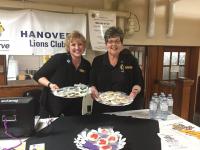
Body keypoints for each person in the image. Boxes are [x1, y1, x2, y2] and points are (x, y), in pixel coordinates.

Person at [33, 31, 91, 117]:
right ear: (68, 47)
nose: (77, 47)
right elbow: (38, 76)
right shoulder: (59, 59)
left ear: (84, 46)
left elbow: (88, 84)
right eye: (73, 45)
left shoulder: (86, 64)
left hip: (73, 109)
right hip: (52, 108)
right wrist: (50, 85)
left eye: (80, 44)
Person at [90, 26, 144, 114]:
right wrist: (92, 89)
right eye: (110, 41)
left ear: (121, 43)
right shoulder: (97, 61)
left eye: (117, 41)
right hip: (101, 108)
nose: (114, 45)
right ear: (106, 44)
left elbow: (139, 81)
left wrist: (135, 91)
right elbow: (92, 82)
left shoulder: (130, 60)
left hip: (124, 108)